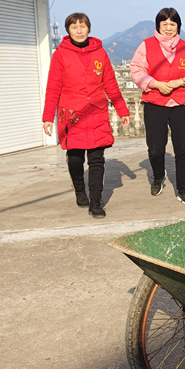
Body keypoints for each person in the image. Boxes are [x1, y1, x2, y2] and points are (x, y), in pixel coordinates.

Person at [42, 12, 130, 219]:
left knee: (97, 159)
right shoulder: (60, 55)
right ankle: (80, 190)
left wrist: (122, 110)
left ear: (89, 28)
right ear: (68, 31)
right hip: (71, 115)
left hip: (96, 113)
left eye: (83, 26)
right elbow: (53, 87)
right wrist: (48, 117)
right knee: (75, 158)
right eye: (74, 27)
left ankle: (96, 202)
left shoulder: (100, 53)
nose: (79, 30)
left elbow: (110, 84)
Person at [129, 7, 185, 204]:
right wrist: (155, 84)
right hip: (154, 102)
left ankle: (183, 188)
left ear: (178, 26)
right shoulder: (145, 46)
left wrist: (182, 82)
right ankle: (158, 176)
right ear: (158, 26)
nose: (169, 28)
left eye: (173, 24)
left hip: (180, 103)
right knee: (155, 148)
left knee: (183, 149)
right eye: (165, 24)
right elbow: (136, 70)